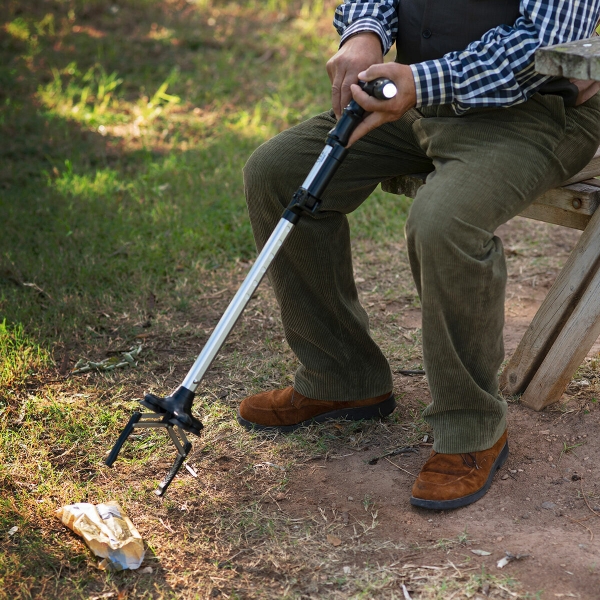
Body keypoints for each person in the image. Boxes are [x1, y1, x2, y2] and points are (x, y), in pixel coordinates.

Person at [237, 0, 600, 510]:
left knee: (443, 222)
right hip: (418, 103)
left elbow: (540, 43)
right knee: (277, 172)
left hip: (532, 114)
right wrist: (362, 33)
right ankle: (342, 377)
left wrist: (419, 82)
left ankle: (471, 428)